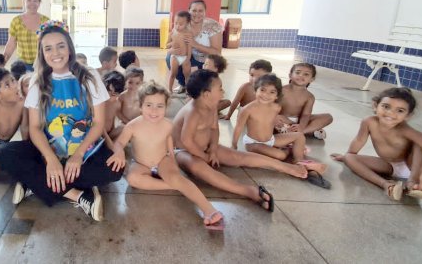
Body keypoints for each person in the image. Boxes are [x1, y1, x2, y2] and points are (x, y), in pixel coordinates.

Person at [0, 21, 123, 221]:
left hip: (85, 149)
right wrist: (51, 160)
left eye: (61, 46)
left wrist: (79, 155)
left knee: (115, 170)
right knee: (4, 154)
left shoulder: (89, 76)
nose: (55, 52)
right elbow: (35, 127)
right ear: (42, 52)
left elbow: (99, 123)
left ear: (70, 47)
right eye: (48, 48)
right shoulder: (39, 80)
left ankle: (35, 182)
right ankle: (78, 195)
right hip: (48, 148)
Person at [173, 70, 308, 214]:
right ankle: (247, 191)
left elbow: (214, 129)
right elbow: (186, 141)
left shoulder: (211, 106)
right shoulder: (193, 111)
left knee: (238, 156)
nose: (223, 91)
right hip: (183, 152)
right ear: (206, 94)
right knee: (198, 167)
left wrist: (212, 149)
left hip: (205, 147)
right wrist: (204, 156)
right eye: (220, 88)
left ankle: (285, 167)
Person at [113, 81, 224, 229]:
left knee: (175, 176)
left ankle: (209, 210)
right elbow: (119, 143)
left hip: (162, 160)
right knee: (133, 179)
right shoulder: (132, 126)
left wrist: (172, 157)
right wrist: (119, 151)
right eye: (149, 105)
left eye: (160, 106)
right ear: (140, 105)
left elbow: (169, 140)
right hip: (141, 163)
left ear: (166, 107)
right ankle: (173, 186)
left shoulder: (167, 125)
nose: (154, 111)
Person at [332, 88, 422, 201]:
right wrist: (348, 157)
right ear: (375, 105)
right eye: (386, 107)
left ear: (408, 115)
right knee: (349, 157)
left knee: (419, 144)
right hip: (389, 166)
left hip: (411, 167)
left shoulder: (404, 130)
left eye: (400, 111)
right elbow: (359, 140)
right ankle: (386, 184)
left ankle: (413, 183)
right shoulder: (369, 122)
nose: (391, 113)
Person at [231, 74, 331, 188]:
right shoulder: (247, 109)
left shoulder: (276, 107)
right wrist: (234, 146)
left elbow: (270, 121)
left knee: (299, 136)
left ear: (277, 95)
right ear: (255, 91)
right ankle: (288, 151)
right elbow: (238, 127)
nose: (266, 95)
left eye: (272, 92)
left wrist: (281, 126)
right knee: (280, 156)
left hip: (271, 139)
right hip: (254, 143)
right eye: (262, 90)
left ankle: (299, 160)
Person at [165, 0, 223, 93]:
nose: (197, 14)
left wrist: (195, 45)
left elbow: (217, 52)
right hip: (189, 56)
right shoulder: (183, 24)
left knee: (202, 89)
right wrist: (171, 49)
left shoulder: (213, 26)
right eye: (194, 10)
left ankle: (203, 84)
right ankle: (182, 84)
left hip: (207, 60)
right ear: (189, 11)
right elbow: (171, 42)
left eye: (200, 11)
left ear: (205, 12)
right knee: (169, 58)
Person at [276, 63, 331, 139]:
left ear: (312, 79)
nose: (301, 76)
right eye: (297, 72)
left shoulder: (309, 96)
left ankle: (301, 131)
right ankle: (310, 131)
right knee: (275, 117)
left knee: (328, 117)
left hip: (299, 120)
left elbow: (306, 115)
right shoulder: (281, 90)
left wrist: (301, 126)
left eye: (306, 74)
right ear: (290, 75)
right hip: (283, 119)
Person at [3, 0, 49, 71]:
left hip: (42, 64)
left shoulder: (46, 21)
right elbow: (11, 43)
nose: (32, 3)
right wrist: (2, 62)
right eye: (29, 0)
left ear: (39, 3)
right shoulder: (16, 21)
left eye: (35, 0)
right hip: (23, 65)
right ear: (24, 2)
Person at [166, 11, 193, 94]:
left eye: (181, 24)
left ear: (187, 23)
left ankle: (188, 90)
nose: (177, 26)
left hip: (185, 57)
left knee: (187, 75)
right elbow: (166, 45)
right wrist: (171, 45)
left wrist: (188, 58)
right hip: (175, 56)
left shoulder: (188, 34)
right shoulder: (172, 32)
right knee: (173, 73)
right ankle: (169, 89)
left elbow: (189, 47)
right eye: (176, 23)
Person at [102, 71, 126, 146]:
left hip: (109, 134)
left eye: (113, 94)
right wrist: (110, 143)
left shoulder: (116, 104)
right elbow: (99, 127)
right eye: (107, 92)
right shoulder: (100, 104)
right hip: (99, 134)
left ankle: (113, 148)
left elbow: (112, 122)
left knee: (123, 127)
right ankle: (110, 148)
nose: (109, 96)